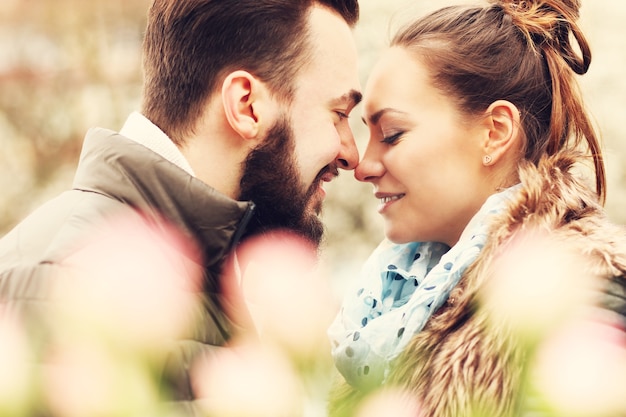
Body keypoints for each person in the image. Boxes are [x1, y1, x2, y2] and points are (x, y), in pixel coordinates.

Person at [0, 0, 362, 414]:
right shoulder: (61, 283)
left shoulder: (213, 266)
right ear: (247, 105)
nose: (351, 154)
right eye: (338, 114)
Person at [328, 0, 626, 416]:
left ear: (495, 133)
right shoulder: (392, 299)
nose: (363, 165)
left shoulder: (584, 304)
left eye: (392, 135)